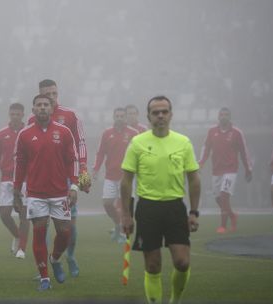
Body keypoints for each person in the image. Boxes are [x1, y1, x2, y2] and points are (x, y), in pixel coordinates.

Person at [120, 96, 201, 304]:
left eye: (164, 111)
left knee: (182, 262)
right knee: (153, 265)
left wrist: (193, 212)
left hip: (175, 207)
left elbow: (193, 179)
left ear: (171, 115)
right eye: (155, 112)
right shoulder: (137, 143)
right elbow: (126, 181)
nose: (160, 116)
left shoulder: (183, 142)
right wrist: (126, 215)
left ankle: (175, 300)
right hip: (147, 208)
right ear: (148, 117)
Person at [14, 94, 79, 291]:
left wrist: (74, 186)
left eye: (46, 105)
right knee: (39, 234)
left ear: (52, 109)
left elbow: (72, 161)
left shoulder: (64, 132)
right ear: (33, 110)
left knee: (64, 232)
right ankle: (44, 278)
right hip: (36, 194)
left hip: (60, 192)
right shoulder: (24, 135)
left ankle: (55, 258)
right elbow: (20, 164)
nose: (42, 108)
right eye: (38, 105)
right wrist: (16, 190)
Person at [28, 79, 89, 277]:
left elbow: (80, 143)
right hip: (41, 181)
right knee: (41, 225)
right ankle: (43, 267)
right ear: (40, 95)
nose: (52, 98)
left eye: (54, 94)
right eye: (47, 95)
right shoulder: (32, 121)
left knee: (69, 225)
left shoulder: (70, 116)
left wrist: (83, 171)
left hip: (66, 179)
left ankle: (69, 256)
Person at [198, 107, 252, 233]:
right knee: (218, 198)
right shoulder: (212, 131)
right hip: (216, 170)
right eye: (221, 114)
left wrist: (248, 169)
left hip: (231, 170)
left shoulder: (237, 132)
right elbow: (206, 148)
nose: (224, 116)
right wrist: (200, 163)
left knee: (224, 195)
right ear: (218, 117)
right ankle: (232, 215)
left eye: (226, 114)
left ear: (230, 117)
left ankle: (223, 225)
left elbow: (244, 152)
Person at [0, 102, 29, 259]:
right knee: (4, 214)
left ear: (22, 115)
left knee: (24, 215)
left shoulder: (29, 132)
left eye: (18, 114)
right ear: (9, 114)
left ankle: (22, 249)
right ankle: (18, 235)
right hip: (6, 179)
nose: (15, 117)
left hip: (26, 179)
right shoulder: (1, 134)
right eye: (12, 114)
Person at [92, 107, 138, 243]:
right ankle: (118, 225)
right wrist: (95, 169)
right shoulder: (106, 133)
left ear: (125, 118)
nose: (119, 118)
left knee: (125, 206)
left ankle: (124, 233)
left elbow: (139, 154)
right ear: (113, 117)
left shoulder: (133, 133)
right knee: (107, 203)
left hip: (127, 177)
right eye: (117, 116)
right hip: (110, 177)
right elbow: (100, 153)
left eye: (121, 116)